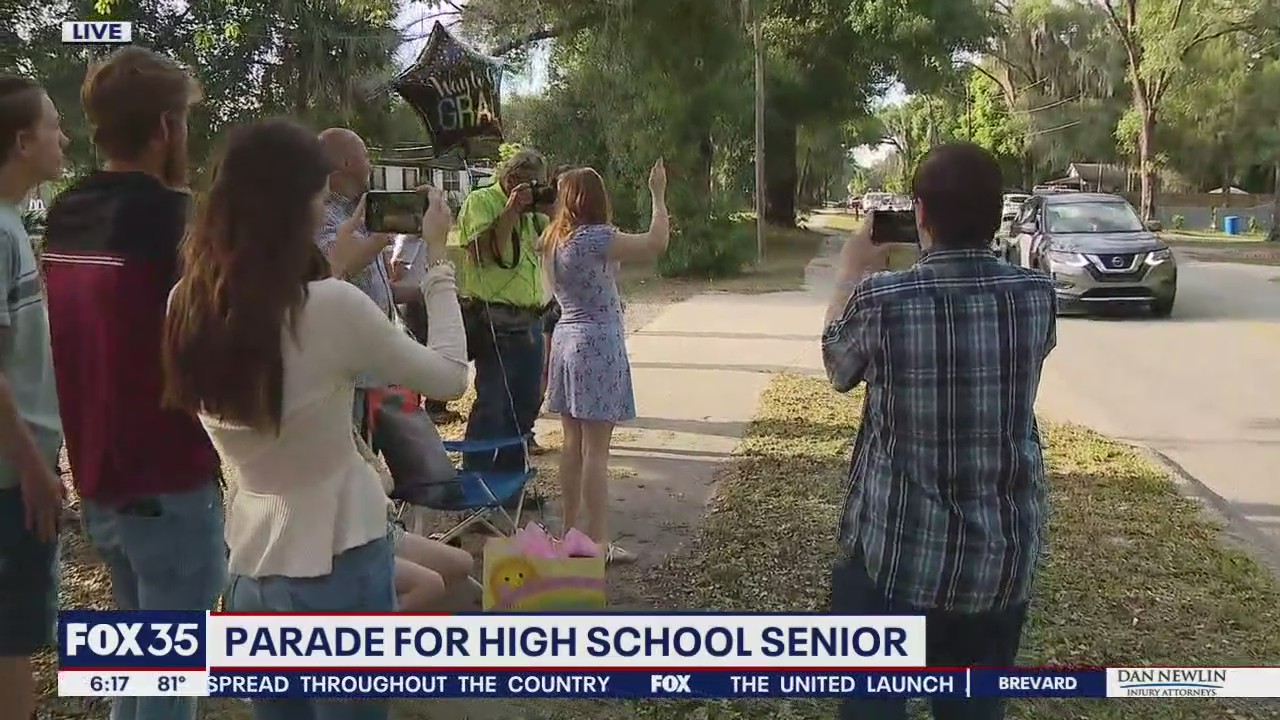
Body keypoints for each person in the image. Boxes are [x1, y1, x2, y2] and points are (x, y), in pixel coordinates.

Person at [161, 118, 468, 720]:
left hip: (251, 567)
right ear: (298, 206)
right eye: (321, 200)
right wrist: (437, 261)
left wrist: (332, 268)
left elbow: (278, 340)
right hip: (340, 562)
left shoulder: (188, 304)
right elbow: (451, 375)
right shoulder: (330, 308)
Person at [820, 143, 1057, 720]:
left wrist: (851, 274)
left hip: (897, 558)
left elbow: (838, 366)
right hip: (998, 560)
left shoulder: (882, 299)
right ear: (996, 214)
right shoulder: (1036, 297)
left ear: (919, 213)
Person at [40, 48, 223, 720]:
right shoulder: (176, 220)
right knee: (169, 683)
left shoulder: (67, 213)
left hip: (100, 474)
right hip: (169, 477)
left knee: (136, 670)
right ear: (167, 128)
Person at [540, 161, 668, 563]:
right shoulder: (597, 238)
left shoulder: (554, 239)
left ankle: (570, 533)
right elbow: (655, 243)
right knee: (597, 451)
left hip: (566, 340)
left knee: (572, 444)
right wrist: (658, 195)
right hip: (597, 342)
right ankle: (596, 544)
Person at [0, 75, 67, 720]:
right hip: (8, 477)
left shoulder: (14, 227)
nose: (63, 136)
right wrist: (31, 469)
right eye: (52, 126)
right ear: (23, 142)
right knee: (11, 638)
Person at [315, 128, 431, 439]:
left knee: (369, 456)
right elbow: (338, 264)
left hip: (372, 368)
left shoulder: (360, 216)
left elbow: (378, 288)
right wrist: (388, 229)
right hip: (346, 372)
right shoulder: (323, 215)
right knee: (348, 458)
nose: (369, 164)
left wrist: (432, 291)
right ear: (346, 163)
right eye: (365, 155)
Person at [454, 148, 552, 469]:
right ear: (511, 179)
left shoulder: (531, 212)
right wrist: (510, 211)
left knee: (524, 405)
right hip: (494, 318)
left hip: (530, 319)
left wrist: (553, 206)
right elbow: (480, 253)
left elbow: (553, 239)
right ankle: (477, 485)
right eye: (529, 184)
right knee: (494, 405)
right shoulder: (481, 201)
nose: (533, 190)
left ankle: (510, 485)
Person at [390, 231, 461, 425]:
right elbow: (397, 269)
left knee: (433, 349)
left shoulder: (425, 235)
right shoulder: (410, 236)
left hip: (423, 298)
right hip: (414, 302)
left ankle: (434, 406)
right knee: (422, 352)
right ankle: (423, 408)